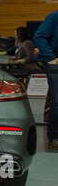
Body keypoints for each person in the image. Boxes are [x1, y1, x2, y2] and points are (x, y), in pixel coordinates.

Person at [33, 8, 58, 150]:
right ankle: (55, 137)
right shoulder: (54, 17)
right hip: (55, 65)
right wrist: (51, 57)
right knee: (57, 102)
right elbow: (39, 37)